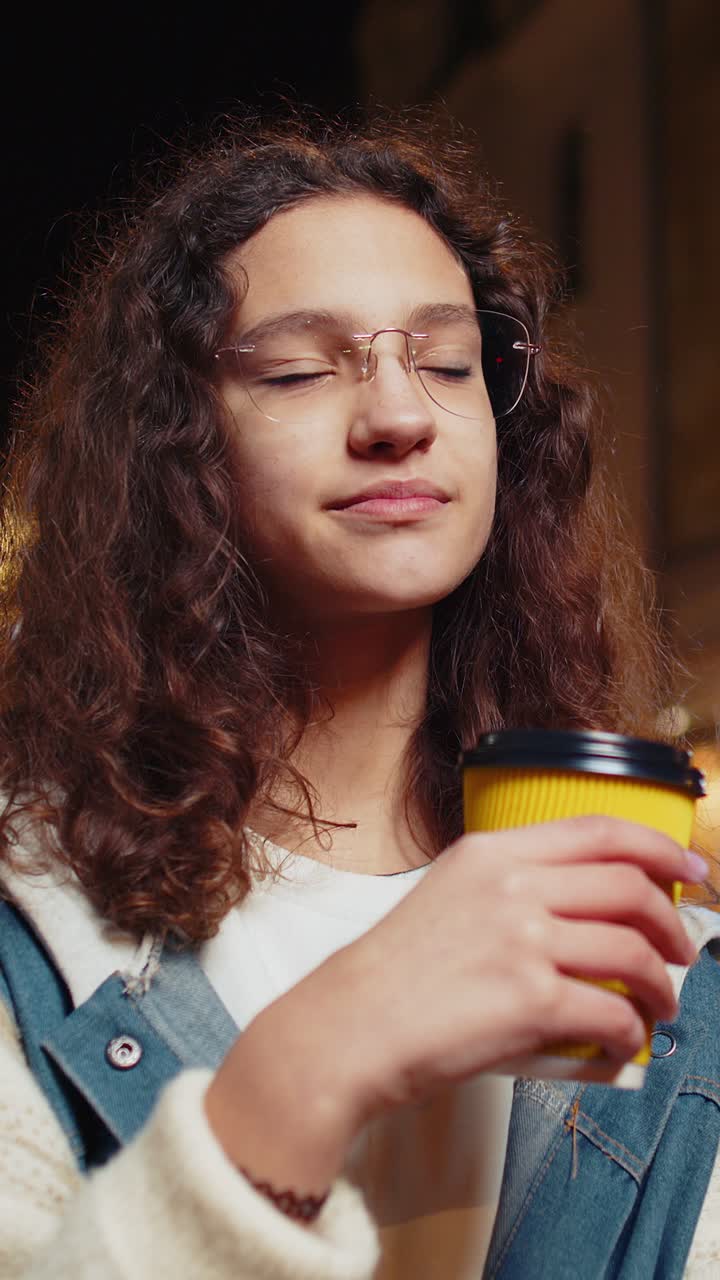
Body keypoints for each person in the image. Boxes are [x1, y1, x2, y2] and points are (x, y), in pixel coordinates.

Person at [0, 109, 718, 1280]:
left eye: (447, 363)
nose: (400, 417)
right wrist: (319, 1058)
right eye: (296, 369)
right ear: (173, 449)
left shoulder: (660, 954)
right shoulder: (33, 927)